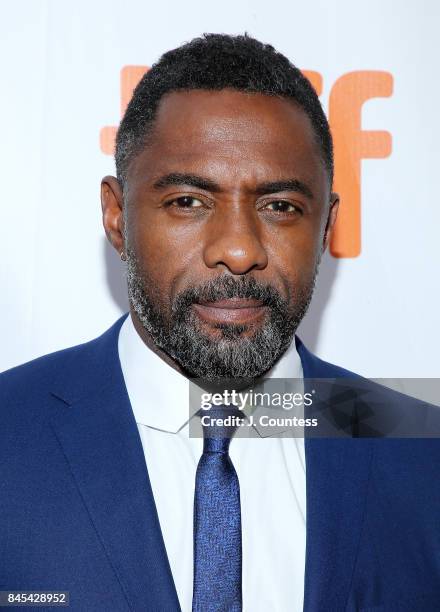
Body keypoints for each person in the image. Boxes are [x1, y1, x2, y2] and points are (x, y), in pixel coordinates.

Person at [1, 33, 439, 612]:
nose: (238, 249)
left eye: (279, 206)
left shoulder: (421, 450)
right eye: (188, 201)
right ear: (116, 215)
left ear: (327, 226)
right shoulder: (11, 430)